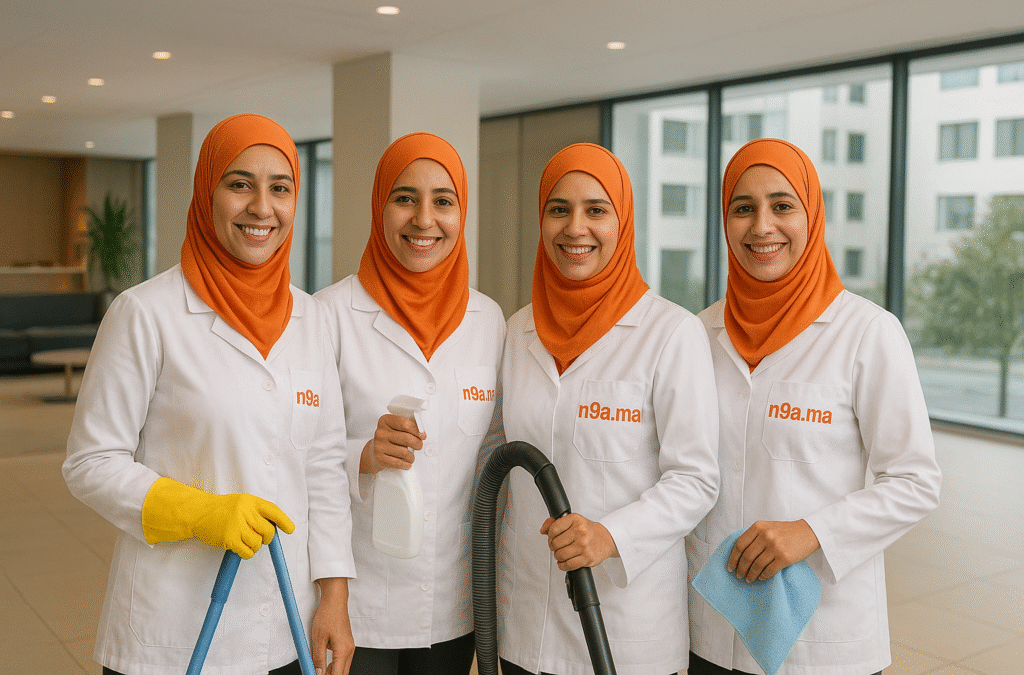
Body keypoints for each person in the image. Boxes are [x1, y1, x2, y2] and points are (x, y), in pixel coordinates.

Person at [63, 114, 355, 675]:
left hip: (284, 625)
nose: (262, 208)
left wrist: (335, 596)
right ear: (207, 193)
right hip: (172, 630)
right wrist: (197, 511)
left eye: (280, 188)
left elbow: (323, 467)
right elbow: (90, 462)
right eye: (240, 184)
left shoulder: (312, 318)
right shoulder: (145, 313)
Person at [686, 138, 942, 675]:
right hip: (712, 629)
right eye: (743, 207)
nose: (762, 226)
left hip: (823, 638)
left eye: (782, 205)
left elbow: (915, 481)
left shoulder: (867, 332)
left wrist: (812, 531)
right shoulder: (698, 334)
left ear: (812, 215)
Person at [497, 143, 720, 675]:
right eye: (559, 209)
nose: (576, 228)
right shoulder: (517, 330)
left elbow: (695, 479)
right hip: (526, 621)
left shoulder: (671, 332)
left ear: (623, 222)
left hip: (625, 626)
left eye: (596, 210)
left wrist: (611, 535)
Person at [315, 132, 505, 675]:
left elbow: (492, 455)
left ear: (461, 213)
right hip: (356, 594)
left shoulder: (488, 320)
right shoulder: (329, 315)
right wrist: (365, 454)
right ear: (380, 206)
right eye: (405, 198)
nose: (424, 219)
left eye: (443, 201)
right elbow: (299, 454)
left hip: (452, 599)